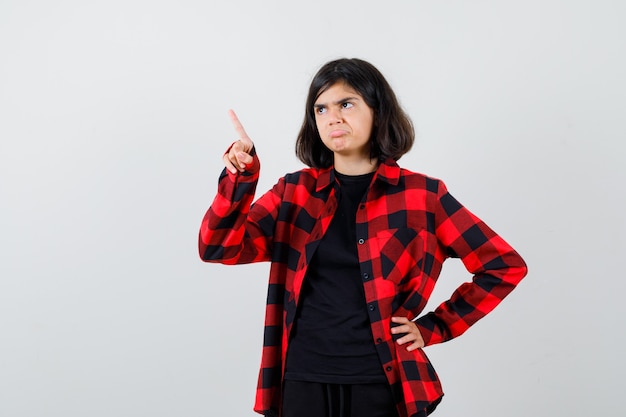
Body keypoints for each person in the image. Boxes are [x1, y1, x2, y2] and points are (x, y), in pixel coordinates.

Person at [198, 58, 528, 417]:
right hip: (301, 379)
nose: (332, 117)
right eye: (321, 108)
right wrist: (239, 180)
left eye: (347, 104)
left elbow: (503, 266)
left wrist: (434, 327)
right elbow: (217, 248)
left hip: (381, 382)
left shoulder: (423, 197)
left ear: (378, 111)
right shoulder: (294, 193)